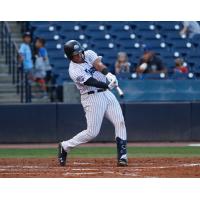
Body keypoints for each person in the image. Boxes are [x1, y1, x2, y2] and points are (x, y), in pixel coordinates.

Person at [58, 40, 128, 167]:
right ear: (70, 57)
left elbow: (98, 64)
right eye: (76, 54)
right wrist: (107, 84)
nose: (79, 55)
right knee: (92, 133)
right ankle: (65, 146)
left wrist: (109, 74)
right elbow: (91, 81)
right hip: (91, 97)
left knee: (120, 122)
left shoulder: (88, 53)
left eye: (80, 52)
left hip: (106, 94)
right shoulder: (74, 70)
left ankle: (123, 156)